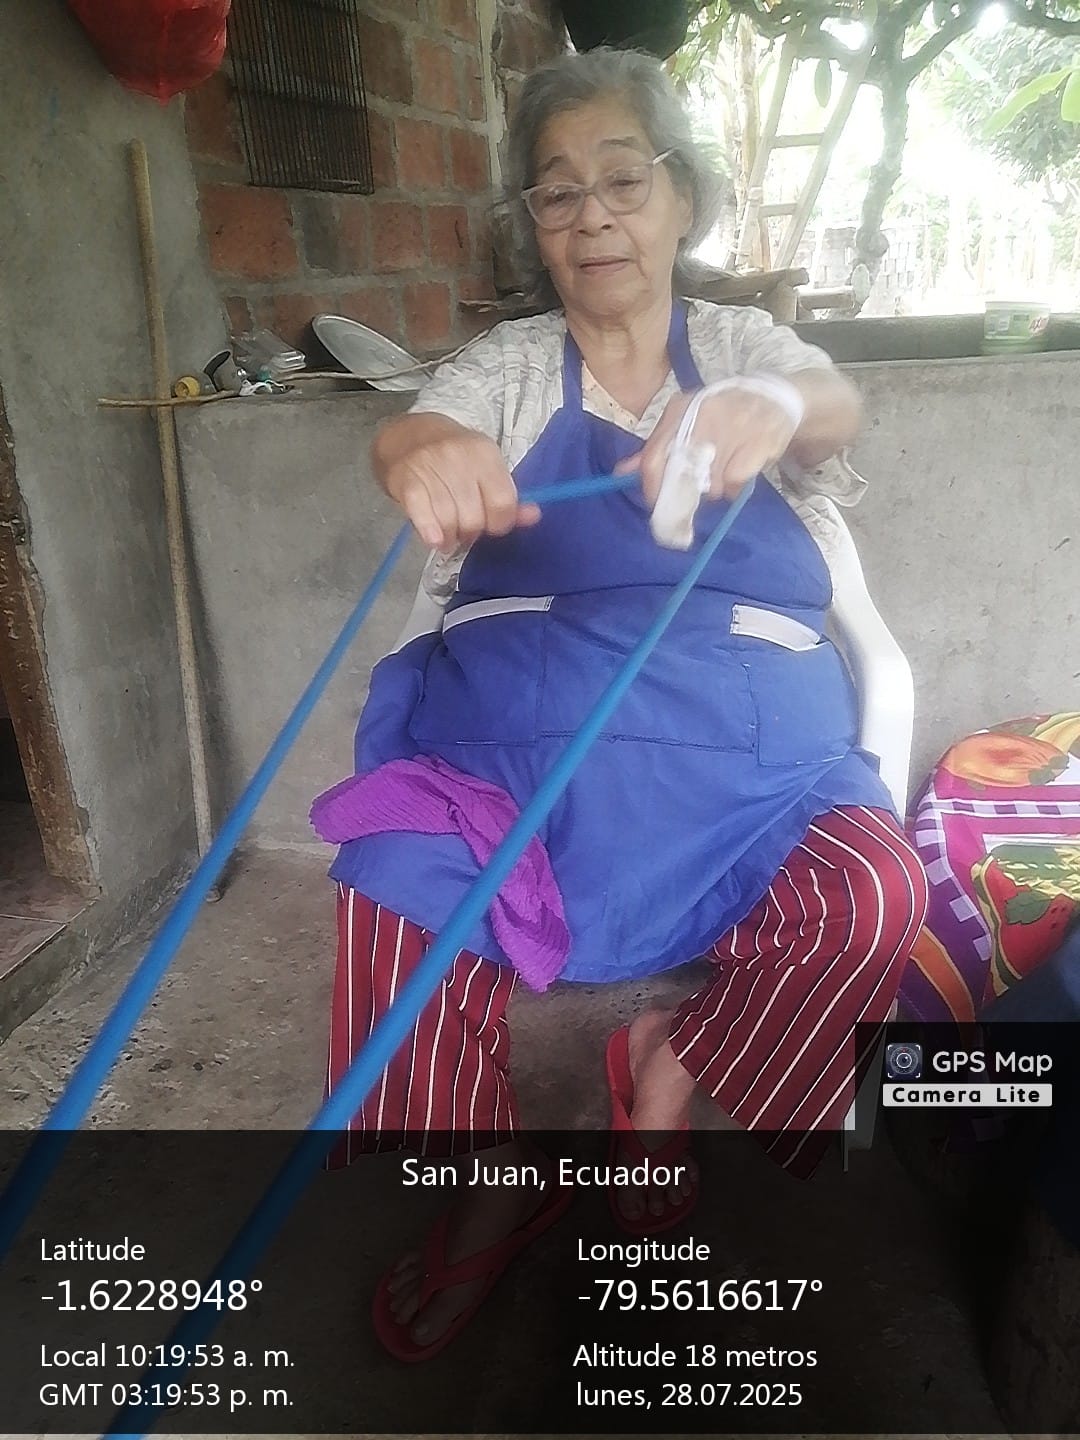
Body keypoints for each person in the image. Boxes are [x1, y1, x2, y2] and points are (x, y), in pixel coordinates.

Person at [310, 46, 928, 1361]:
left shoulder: (742, 344)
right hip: (511, 746)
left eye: (623, 181)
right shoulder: (508, 364)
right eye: (557, 192)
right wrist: (423, 448)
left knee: (875, 895)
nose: (591, 216)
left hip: (744, 753)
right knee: (386, 895)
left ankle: (667, 1068)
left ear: (681, 199)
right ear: (533, 224)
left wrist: (769, 403)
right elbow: (414, 431)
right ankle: (491, 1182)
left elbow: (835, 402)